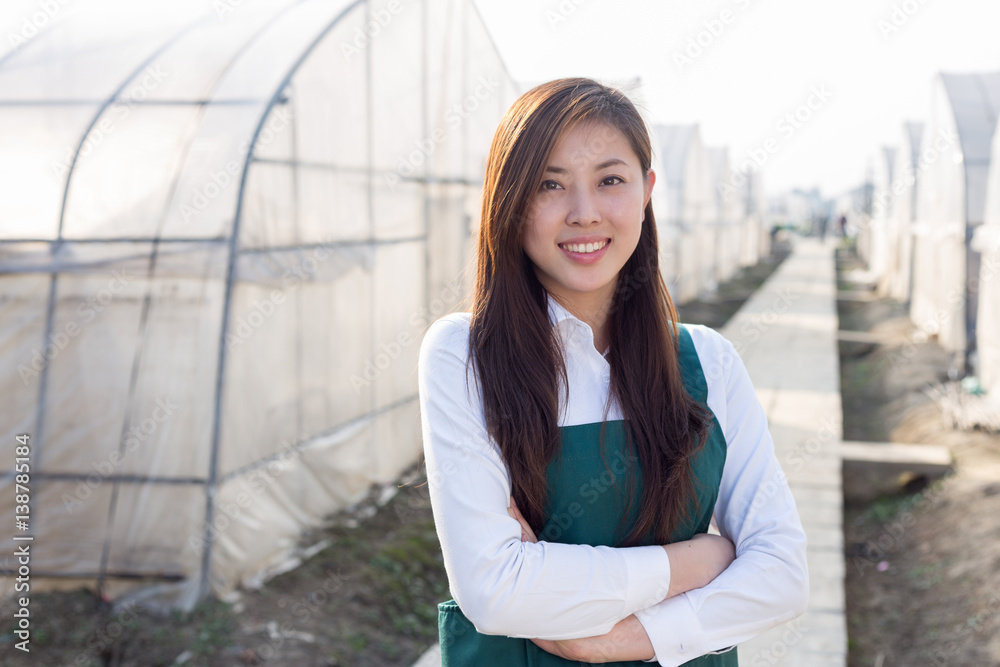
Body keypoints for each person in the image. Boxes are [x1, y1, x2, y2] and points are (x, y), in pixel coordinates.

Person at [417, 78, 809, 666]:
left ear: (647, 191)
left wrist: (622, 640)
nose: (584, 213)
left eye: (610, 181)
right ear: (511, 199)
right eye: (550, 184)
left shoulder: (708, 362)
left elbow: (782, 574)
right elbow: (493, 591)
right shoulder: (462, 354)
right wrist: (693, 565)